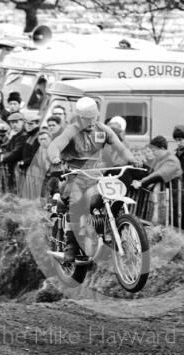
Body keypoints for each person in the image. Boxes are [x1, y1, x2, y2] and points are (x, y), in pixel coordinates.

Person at [47, 96, 137, 262]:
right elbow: (55, 145)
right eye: (88, 119)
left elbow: (120, 146)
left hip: (95, 177)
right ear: (80, 117)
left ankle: (111, 231)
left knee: (104, 199)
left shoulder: (103, 130)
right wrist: (55, 159)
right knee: (77, 202)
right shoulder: (71, 131)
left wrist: (132, 159)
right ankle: (71, 245)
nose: (91, 122)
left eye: (94, 118)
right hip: (72, 178)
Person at [18, 112, 41, 197]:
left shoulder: (38, 137)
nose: (28, 126)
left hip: (34, 171)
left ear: (37, 124)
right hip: (27, 169)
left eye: (31, 124)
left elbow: (35, 157)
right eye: (26, 124)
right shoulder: (30, 135)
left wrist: (23, 162)